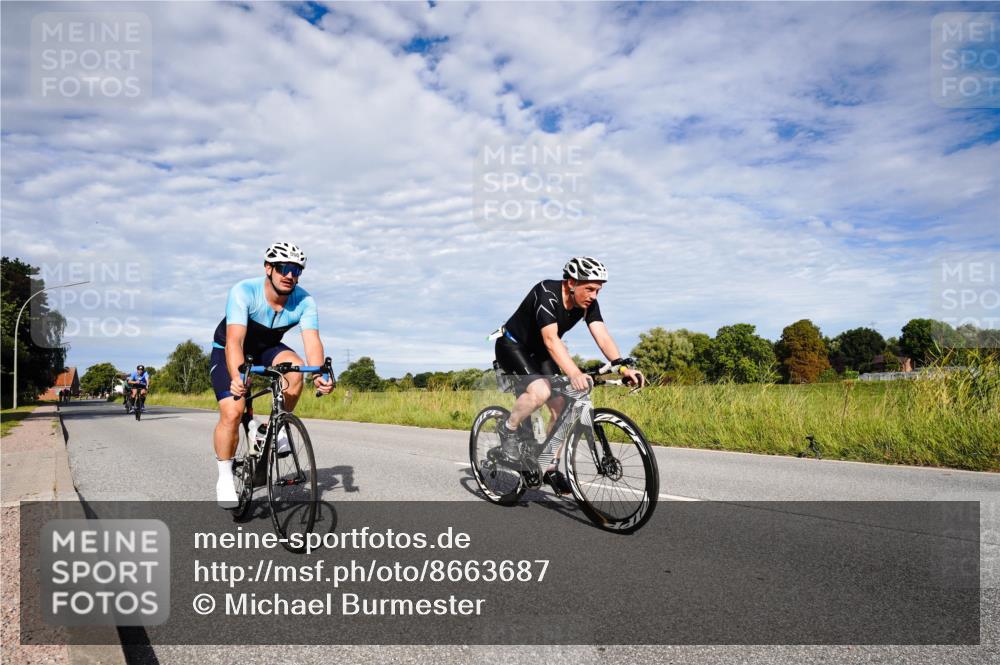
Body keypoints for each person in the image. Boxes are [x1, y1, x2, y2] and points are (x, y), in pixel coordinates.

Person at [493, 257, 645, 494]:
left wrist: (622, 366)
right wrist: (574, 372)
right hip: (513, 346)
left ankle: (549, 466)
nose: (594, 295)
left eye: (598, 290)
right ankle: (508, 428)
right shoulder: (546, 292)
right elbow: (551, 340)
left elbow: (602, 335)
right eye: (590, 289)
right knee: (540, 391)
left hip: (541, 353)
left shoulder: (588, 303)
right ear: (571, 282)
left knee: (561, 405)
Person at [210, 242, 334, 507]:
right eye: (283, 268)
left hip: (267, 349)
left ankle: (271, 429)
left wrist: (319, 374)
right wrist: (237, 376)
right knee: (233, 411)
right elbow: (234, 341)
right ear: (269, 268)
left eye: (296, 270)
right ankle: (224, 476)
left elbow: (312, 340)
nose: (290, 275)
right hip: (230, 350)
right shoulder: (244, 291)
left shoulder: (305, 300)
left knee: (296, 370)